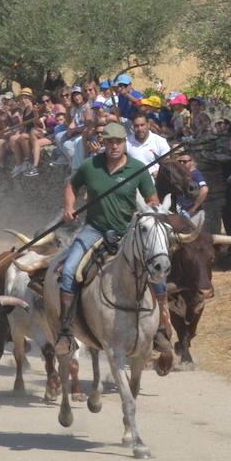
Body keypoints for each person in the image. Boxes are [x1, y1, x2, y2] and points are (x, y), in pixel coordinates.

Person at [58, 121, 171, 365]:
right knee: (68, 272)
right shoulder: (91, 166)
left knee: (157, 274)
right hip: (94, 230)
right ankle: (66, 331)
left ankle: (161, 328)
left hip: (128, 232)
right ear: (104, 144)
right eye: (109, 142)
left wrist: (152, 210)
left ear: (125, 144)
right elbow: (71, 185)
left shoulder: (138, 168)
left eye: (118, 142)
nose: (114, 146)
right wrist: (70, 206)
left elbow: (152, 198)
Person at [127, 113, 172, 177]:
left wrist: (159, 172)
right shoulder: (126, 142)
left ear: (148, 125)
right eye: (136, 126)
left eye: (142, 125)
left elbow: (167, 163)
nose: (139, 129)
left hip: (155, 182)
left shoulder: (160, 141)